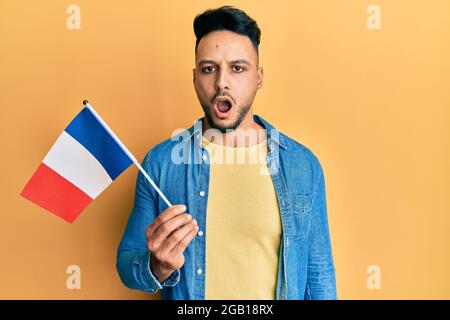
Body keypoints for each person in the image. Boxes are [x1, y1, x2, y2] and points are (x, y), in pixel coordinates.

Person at [116, 5, 337, 300]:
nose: (222, 82)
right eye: (209, 69)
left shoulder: (302, 165)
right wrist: (156, 266)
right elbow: (127, 265)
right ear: (195, 78)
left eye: (237, 68)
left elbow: (319, 276)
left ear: (258, 78)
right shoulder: (160, 163)